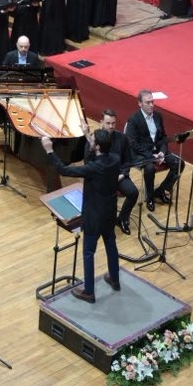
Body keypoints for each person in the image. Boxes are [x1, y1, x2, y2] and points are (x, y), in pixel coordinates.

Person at [42, 121, 124, 303]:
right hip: (110, 212)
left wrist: (49, 150)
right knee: (111, 245)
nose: (91, 141)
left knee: (88, 253)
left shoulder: (94, 168)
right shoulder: (115, 159)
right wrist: (88, 136)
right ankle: (115, 280)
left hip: (94, 216)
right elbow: (93, 157)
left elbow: (64, 170)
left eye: (92, 140)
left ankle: (89, 291)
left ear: (98, 146)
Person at [123, 88, 180, 208]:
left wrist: (162, 152)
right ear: (140, 103)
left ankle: (160, 191)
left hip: (157, 151)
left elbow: (163, 137)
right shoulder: (133, 119)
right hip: (141, 154)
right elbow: (133, 143)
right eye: (148, 102)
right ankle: (150, 197)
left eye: (152, 102)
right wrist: (151, 155)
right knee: (149, 169)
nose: (151, 105)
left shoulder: (158, 116)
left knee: (179, 163)